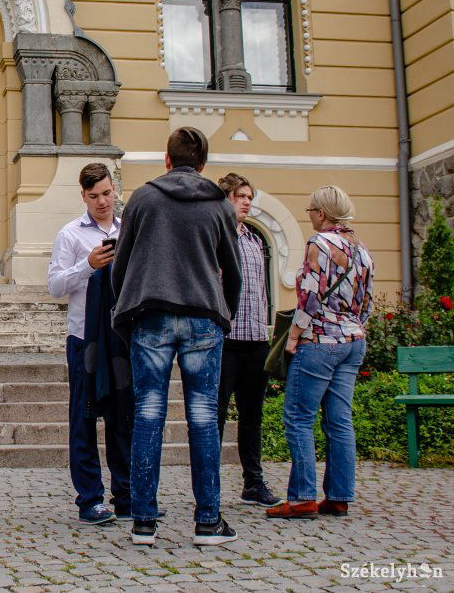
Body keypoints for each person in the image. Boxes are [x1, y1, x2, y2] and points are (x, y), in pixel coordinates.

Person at [111, 127, 243, 546]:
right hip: (204, 315)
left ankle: (143, 522)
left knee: (148, 414)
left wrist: (124, 308)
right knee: (204, 417)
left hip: (150, 314)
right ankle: (208, 522)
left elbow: (122, 263)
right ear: (202, 164)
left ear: (166, 159)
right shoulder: (219, 204)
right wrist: (225, 313)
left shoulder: (143, 199)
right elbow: (234, 271)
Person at [267, 185, 373, 520]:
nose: (309, 215)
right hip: (352, 340)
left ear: (322, 213)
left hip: (320, 340)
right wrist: (353, 325)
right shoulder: (362, 250)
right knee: (339, 420)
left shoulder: (320, 244)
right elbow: (366, 301)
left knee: (298, 418)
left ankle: (302, 499)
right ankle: (339, 496)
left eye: (310, 210)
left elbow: (309, 297)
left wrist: (293, 335)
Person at [46, 163, 129, 524]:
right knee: (84, 418)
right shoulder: (70, 235)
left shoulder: (129, 231)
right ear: (82, 195)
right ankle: (90, 500)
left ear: (115, 190)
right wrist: (88, 265)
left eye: (107, 193)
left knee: (123, 417)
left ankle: (126, 495)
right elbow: (54, 287)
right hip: (84, 338)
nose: (102, 201)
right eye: (94, 196)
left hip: (122, 338)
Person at [214, 173, 283, 508]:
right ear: (225, 198)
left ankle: (253, 482)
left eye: (249, 197)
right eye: (241, 196)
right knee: (215, 416)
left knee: (252, 416)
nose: (247, 202)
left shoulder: (255, 240)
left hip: (256, 339)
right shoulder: (215, 237)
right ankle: (209, 481)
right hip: (226, 340)